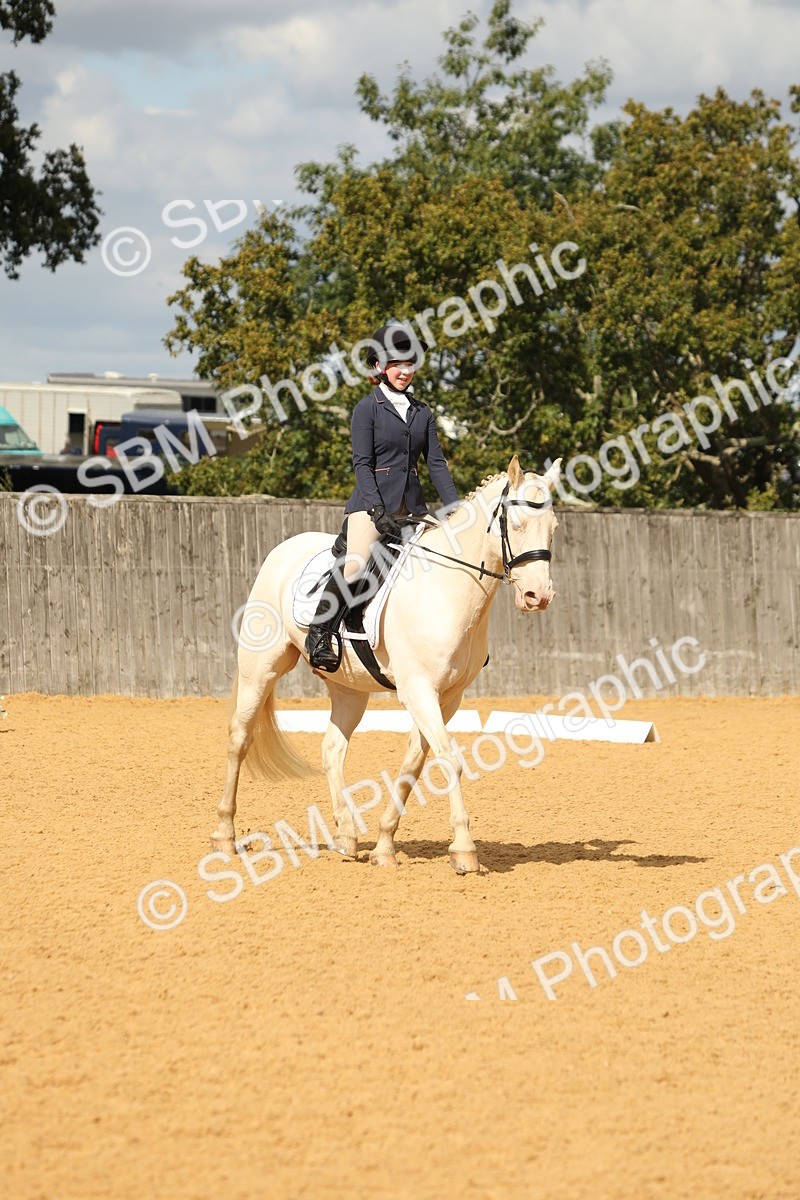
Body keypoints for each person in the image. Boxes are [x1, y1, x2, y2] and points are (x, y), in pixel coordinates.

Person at [304, 322, 460, 671]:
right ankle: (319, 632)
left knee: (452, 554)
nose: (405, 371)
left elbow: (436, 463)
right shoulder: (367, 408)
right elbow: (362, 464)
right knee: (356, 563)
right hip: (370, 507)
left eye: (410, 364)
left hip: (414, 510)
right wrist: (376, 508)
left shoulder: (422, 412)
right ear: (380, 367)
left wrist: (455, 508)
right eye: (397, 364)